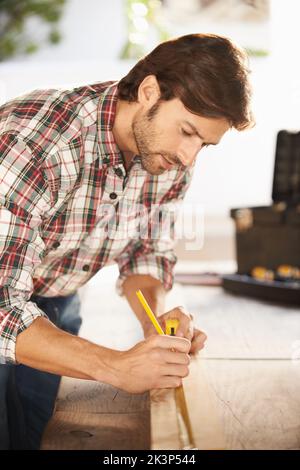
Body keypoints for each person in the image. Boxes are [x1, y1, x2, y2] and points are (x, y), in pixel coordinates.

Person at [0, 33, 253, 449]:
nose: (190, 158)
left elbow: (145, 252)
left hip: (55, 300)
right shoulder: (35, 144)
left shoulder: (166, 156)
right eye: (188, 132)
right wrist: (115, 367)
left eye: (204, 145)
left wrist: (159, 331)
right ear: (150, 91)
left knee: (32, 435)